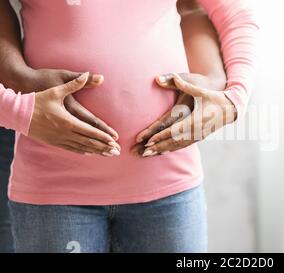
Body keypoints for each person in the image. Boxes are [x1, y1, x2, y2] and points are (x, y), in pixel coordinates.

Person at [0, 0, 258, 253]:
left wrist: (233, 99)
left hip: (170, 184)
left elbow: (233, 13)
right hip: (53, 189)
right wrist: (18, 109)